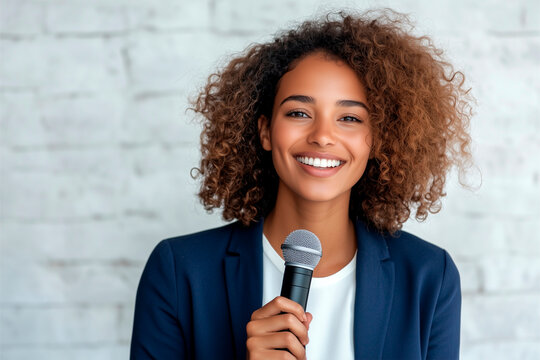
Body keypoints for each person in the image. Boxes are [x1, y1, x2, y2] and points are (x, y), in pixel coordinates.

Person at [130, 9, 472, 360]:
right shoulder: (179, 271)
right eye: (298, 113)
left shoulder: (429, 277)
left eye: (350, 118)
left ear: (378, 140)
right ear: (265, 130)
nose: (322, 136)